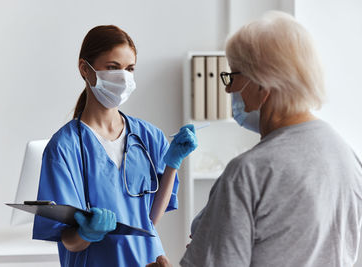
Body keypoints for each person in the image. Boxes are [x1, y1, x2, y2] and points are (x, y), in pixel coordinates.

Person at [149, 11, 362, 267]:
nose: (227, 89)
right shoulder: (347, 156)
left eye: (232, 76)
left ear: (262, 85)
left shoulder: (250, 172)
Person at [32, 25, 197, 266]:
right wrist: (86, 233)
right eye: (112, 67)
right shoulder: (65, 148)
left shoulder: (149, 137)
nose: (123, 77)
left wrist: (172, 164)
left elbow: (148, 220)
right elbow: (69, 241)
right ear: (85, 70)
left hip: (149, 261)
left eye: (130, 69)